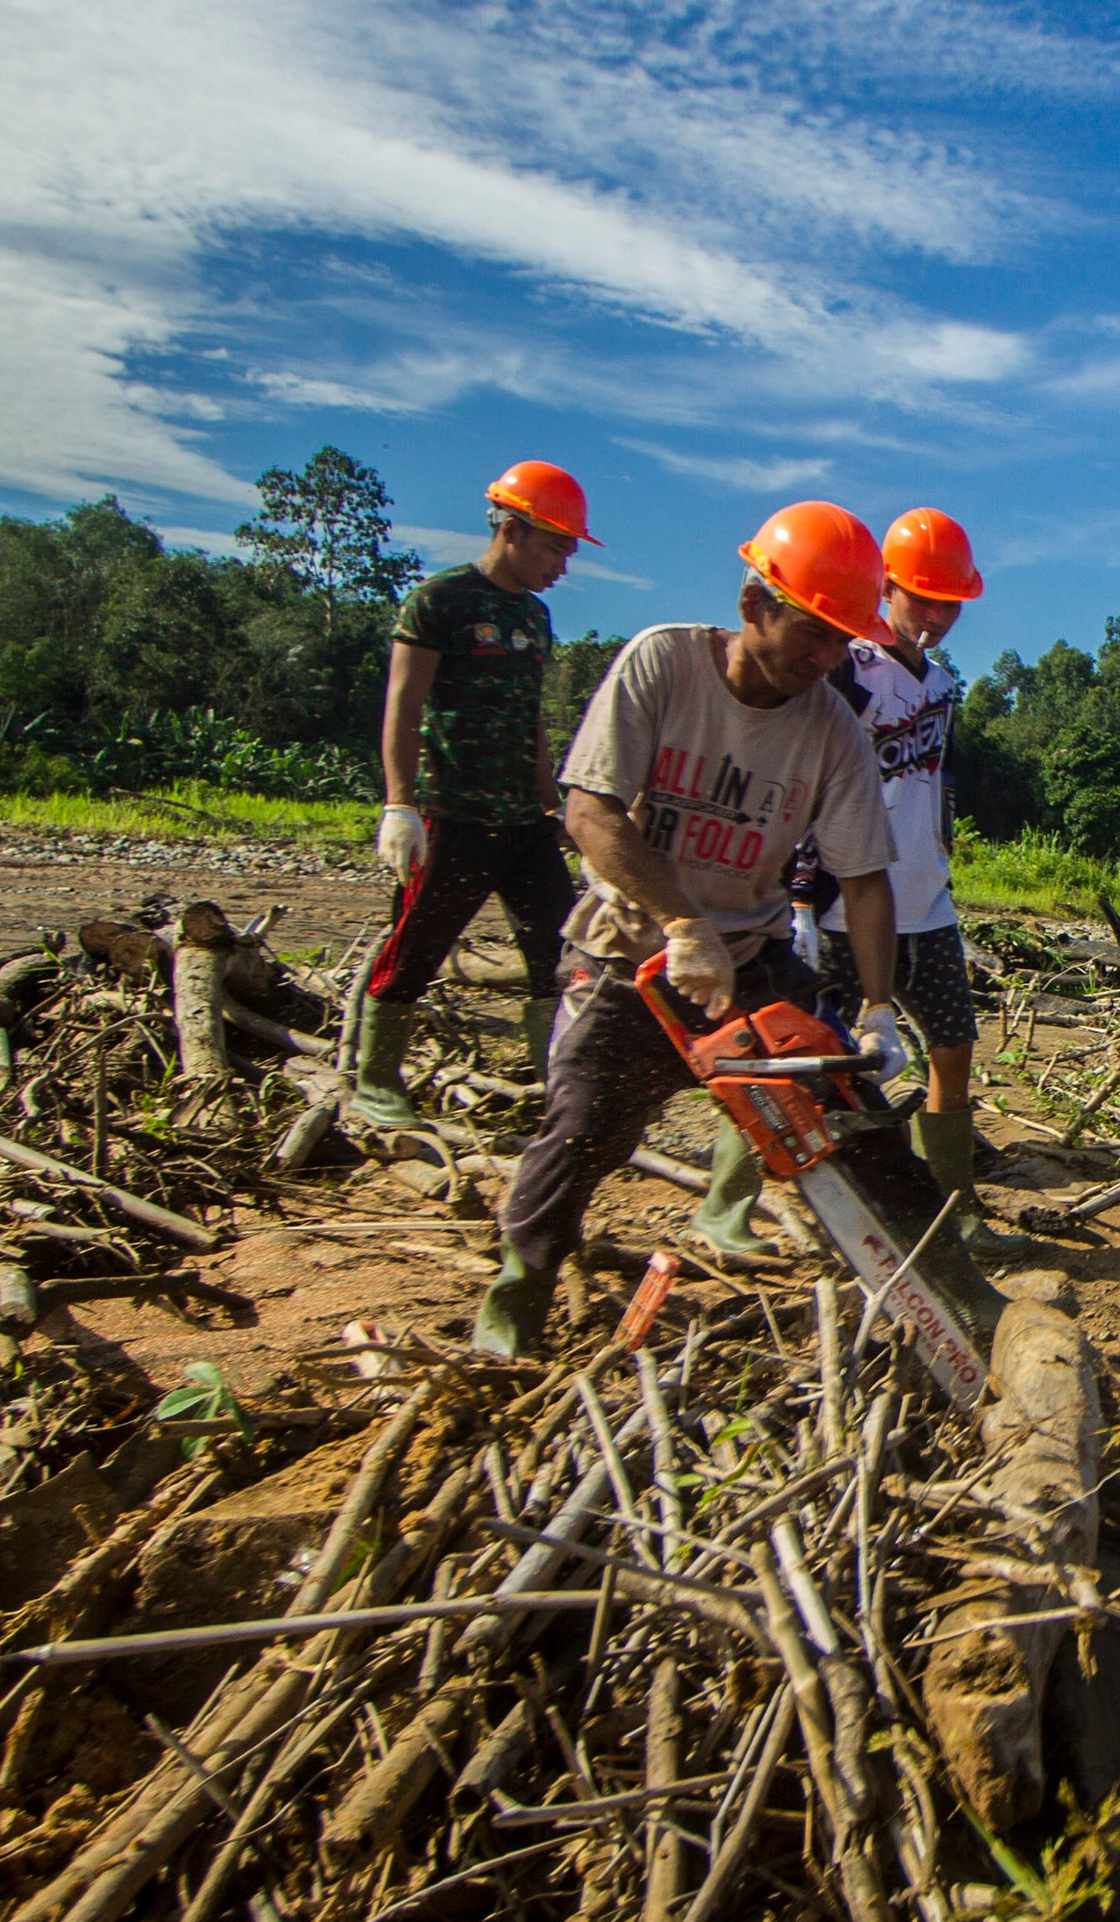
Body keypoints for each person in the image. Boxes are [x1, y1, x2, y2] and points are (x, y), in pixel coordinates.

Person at [473, 502, 909, 1359]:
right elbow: (591, 811)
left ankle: (928, 1293)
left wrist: (881, 1007)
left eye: (839, 642)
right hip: (628, 952)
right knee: (583, 1131)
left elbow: (863, 880)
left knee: (852, 1120)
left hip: (749, 956)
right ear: (755, 606)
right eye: (810, 634)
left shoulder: (833, 730)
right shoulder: (663, 663)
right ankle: (516, 1299)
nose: (824, 659)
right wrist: (680, 922)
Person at [750, 506, 991, 1252]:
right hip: (841, 906)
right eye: (924, 599)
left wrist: (944, 861)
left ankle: (955, 1217)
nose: (938, 617)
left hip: (926, 900)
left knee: (953, 1048)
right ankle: (794, 1206)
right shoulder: (847, 670)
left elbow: (934, 787)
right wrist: (796, 895)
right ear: (886, 588)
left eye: (950, 603)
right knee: (814, 1060)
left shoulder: (943, 686)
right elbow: (807, 781)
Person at [347, 460, 589, 1125]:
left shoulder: (535, 618)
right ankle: (374, 1081)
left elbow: (531, 719)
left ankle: (554, 1086)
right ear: (511, 530)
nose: (562, 566)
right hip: (453, 811)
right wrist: (399, 804)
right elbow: (404, 703)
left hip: (522, 821)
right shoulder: (439, 601)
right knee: (416, 944)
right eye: (554, 547)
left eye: (569, 551)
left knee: (560, 951)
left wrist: (553, 805)